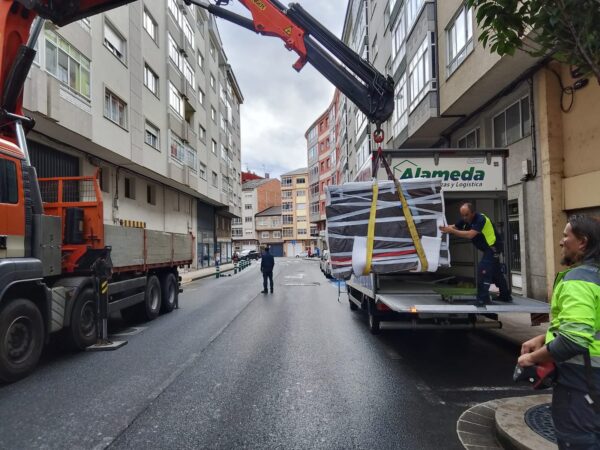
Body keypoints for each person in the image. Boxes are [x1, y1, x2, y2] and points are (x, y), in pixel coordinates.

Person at [518, 215, 600, 449]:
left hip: (582, 386)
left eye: (566, 236)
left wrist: (532, 358)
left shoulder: (578, 281)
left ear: (582, 243)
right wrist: (543, 337)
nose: (561, 242)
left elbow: (574, 339)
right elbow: (590, 323)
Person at [439, 202, 512, 306]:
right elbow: (454, 227)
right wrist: (444, 228)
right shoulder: (465, 220)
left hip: (493, 248)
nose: (464, 217)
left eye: (466, 215)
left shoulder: (480, 219)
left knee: (483, 271)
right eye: (462, 215)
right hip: (488, 249)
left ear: (473, 213)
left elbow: (470, 235)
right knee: (496, 273)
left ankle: (482, 300)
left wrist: (451, 231)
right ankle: (506, 296)